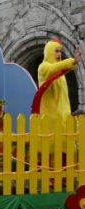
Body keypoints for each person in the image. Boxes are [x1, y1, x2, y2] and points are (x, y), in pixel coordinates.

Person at [31, 39, 82, 186]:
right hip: (50, 117)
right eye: (56, 51)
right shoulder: (43, 67)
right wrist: (71, 61)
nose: (59, 54)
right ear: (49, 51)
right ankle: (50, 178)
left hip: (63, 116)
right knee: (50, 148)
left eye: (60, 51)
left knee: (64, 147)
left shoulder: (61, 74)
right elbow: (53, 69)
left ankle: (64, 177)